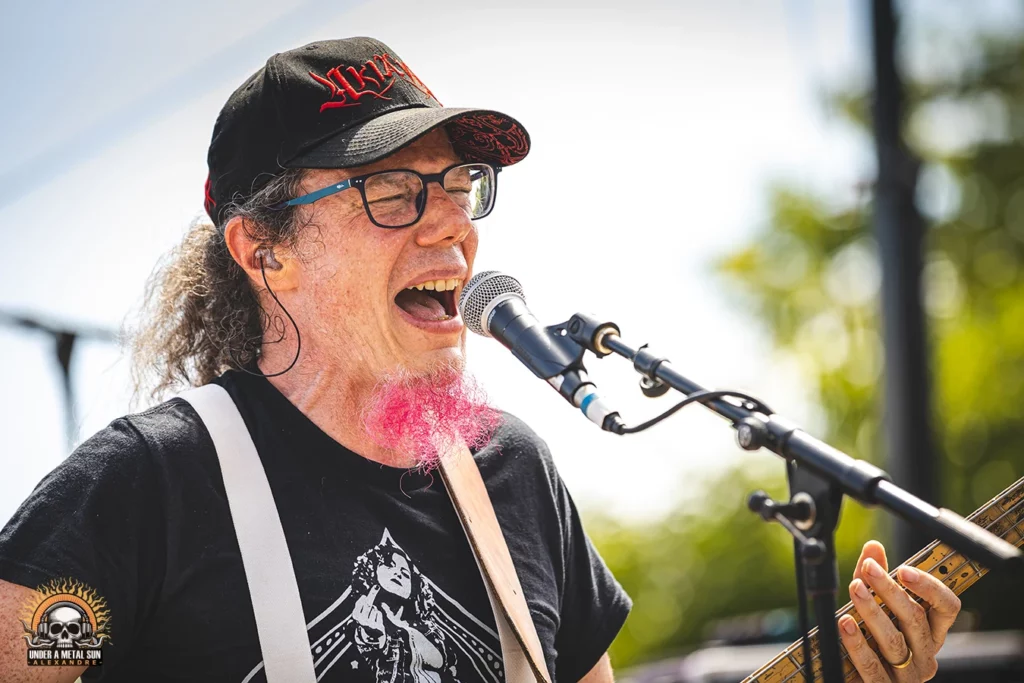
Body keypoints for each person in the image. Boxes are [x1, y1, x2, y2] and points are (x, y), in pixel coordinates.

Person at [0, 36, 959, 683]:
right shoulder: (146, 484)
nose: (455, 222)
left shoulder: (516, 478)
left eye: (461, 184)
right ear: (263, 250)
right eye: (393, 191)